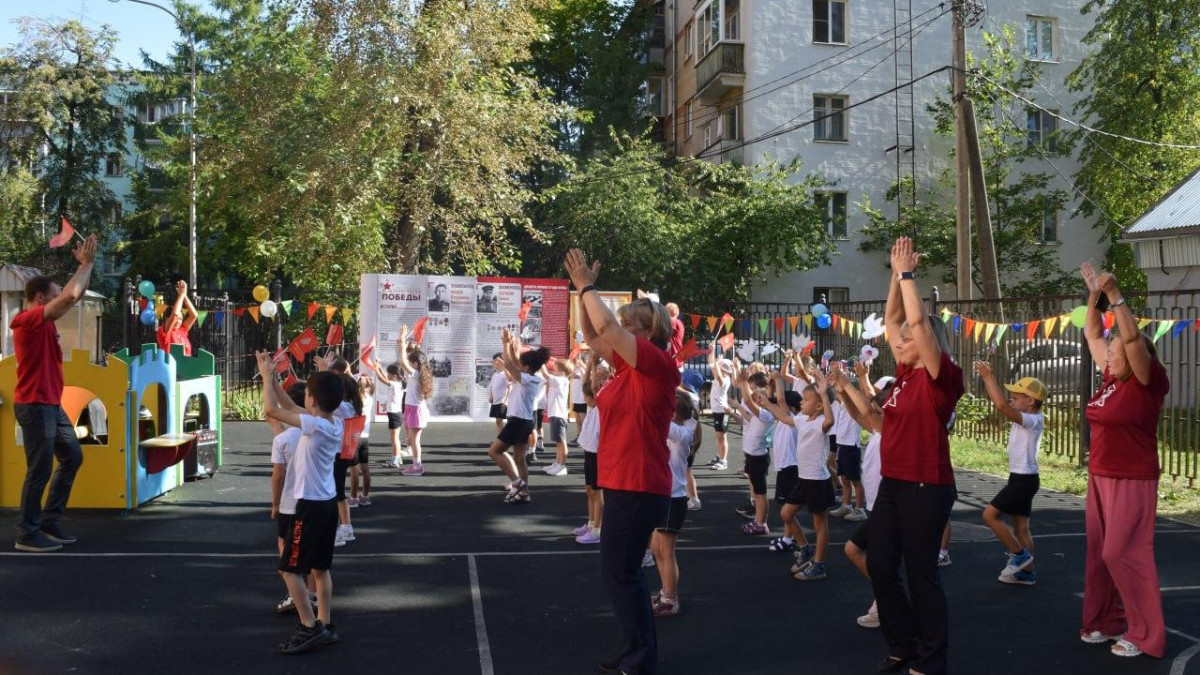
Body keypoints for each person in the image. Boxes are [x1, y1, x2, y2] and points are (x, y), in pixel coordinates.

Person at [565, 249, 678, 675]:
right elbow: (593, 334)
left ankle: (640, 658)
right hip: (626, 482)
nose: (620, 330)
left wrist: (587, 287)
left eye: (630, 326)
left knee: (621, 574)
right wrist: (582, 294)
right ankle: (633, 650)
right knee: (620, 573)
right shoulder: (629, 367)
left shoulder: (655, 363)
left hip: (640, 482)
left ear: (648, 332)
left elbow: (607, 327)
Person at [868, 237, 964, 675]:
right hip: (895, 481)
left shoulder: (942, 378)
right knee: (879, 564)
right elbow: (893, 319)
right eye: (900, 337)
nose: (900, 339)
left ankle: (931, 658)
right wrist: (894, 275)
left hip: (927, 485)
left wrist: (908, 276)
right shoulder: (905, 374)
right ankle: (902, 643)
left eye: (908, 338)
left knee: (921, 573)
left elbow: (918, 324)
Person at [1078, 262, 1168, 659]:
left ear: (1134, 357)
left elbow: (1130, 339)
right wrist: (1094, 297)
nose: (1109, 357)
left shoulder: (1147, 381)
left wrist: (1114, 295)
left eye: (1115, 353)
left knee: (1122, 552)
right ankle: (1106, 619)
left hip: (1132, 478)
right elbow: (1092, 333)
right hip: (1100, 476)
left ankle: (1145, 634)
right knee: (1100, 555)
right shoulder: (1111, 380)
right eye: (1109, 354)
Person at [11, 234, 97, 552]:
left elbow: (74, 295)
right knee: (40, 469)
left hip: (50, 404)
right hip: (34, 404)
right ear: (40, 298)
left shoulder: (44, 320)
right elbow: (69, 297)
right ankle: (27, 533)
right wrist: (85, 264)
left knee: (72, 457)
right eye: (54, 294)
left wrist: (88, 266)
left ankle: (49, 520)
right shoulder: (27, 320)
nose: (60, 297)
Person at [256, 353, 343, 654]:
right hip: (327, 504)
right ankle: (325, 624)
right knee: (320, 568)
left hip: (311, 506)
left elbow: (272, 409)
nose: (302, 398)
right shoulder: (331, 421)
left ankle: (309, 626)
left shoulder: (315, 426)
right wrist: (273, 378)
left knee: (290, 569)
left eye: (306, 393)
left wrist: (265, 378)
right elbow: (291, 407)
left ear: (313, 400)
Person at [972, 362, 1044, 585]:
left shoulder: (1033, 420)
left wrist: (987, 377)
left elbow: (1001, 406)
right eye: (1011, 397)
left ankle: (1019, 555)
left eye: (1016, 397)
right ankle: (1027, 572)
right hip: (1022, 478)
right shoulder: (1026, 418)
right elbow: (1005, 405)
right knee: (1021, 528)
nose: (1011, 400)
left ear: (1030, 401)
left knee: (989, 515)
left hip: (1023, 481)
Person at [835, 367, 894, 628]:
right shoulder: (878, 431)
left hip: (887, 508)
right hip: (876, 507)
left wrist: (849, 384)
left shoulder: (893, 435)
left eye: (878, 412)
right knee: (863, 553)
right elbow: (859, 415)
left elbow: (867, 412)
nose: (873, 415)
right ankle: (886, 597)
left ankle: (887, 601)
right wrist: (843, 394)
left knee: (863, 553)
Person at [763, 369, 835, 581]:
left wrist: (823, 394)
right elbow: (784, 417)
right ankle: (805, 549)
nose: (802, 402)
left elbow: (829, 421)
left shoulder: (821, 423)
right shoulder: (803, 419)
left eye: (806, 399)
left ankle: (819, 565)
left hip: (818, 480)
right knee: (786, 514)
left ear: (819, 406)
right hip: (803, 479)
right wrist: (766, 403)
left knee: (819, 524)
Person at [649, 391, 700, 618]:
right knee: (656, 548)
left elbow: (652, 417)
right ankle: (665, 592)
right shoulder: (678, 429)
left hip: (673, 499)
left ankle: (671, 600)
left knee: (667, 552)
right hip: (662, 496)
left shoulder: (682, 432)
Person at [268, 381, 317, 615]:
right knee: (314, 555)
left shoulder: (283, 439)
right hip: (316, 502)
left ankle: (295, 595)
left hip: (291, 504)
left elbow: (278, 475)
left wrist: (275, 503)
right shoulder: (320, 429)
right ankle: (313, 596)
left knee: (287, 554)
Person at [487, 329, 550, 504]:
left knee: (494, 451)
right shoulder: (531, 376)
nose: (518, 366)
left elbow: (509, 364)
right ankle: (525, 492)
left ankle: (517, 483)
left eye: (521, 365)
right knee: (519, 459)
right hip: (524, 421)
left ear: (526, 367)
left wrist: (505, 343)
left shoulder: (530, 379)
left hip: (519, 422)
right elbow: (514, 362)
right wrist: (512, 346)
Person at [574, 355, 611, 545]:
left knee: (597, 492)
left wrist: (595, 366)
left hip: (598, 452)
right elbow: (585, 385)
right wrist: (590, 364)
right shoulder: (591, 406)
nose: (585, 398)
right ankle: (590, 523)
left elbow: (594, 388)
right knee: (590, 490)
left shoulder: (602, 403)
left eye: (587, 396)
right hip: (589, 450)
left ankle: (598, 529)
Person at [734, 371, 776, 536]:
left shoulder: (766, 414)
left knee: (760, 493)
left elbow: (747, 401)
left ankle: (761, 523)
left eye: (759, 398)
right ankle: (759, 520)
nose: (755, 400)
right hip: (753, 456)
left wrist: (744, 382)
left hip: (758, 457)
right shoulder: (758, 415)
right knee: (758, 493)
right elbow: (746, 409)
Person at [332, 374, 363, 547]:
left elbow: (327, 398)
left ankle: (336, 531)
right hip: (342, 453)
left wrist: (325, 373)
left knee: (332, 493)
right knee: (339, 493)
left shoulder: (342, 407)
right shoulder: (351, 405)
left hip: (337, 453)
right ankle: (346, 527)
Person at [397, 324, 433, 475]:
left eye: (410, 362)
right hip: (413, 408)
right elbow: (404, 361)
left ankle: (417, 466)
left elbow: (402, 362)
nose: (408, 364)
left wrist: (402, 338)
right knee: (412, 440)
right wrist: (402, 345)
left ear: (416, 364)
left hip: (416, 410)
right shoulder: (417, 373)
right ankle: (416, 465)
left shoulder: (416, 373)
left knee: (415, 440)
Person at [369, 361, 407, 468]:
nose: (388, 375)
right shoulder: (399, 383)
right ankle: (397, 458)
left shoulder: (394, 384)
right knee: (395, 438)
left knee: (394, 439)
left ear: (394, 376)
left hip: (394, 415)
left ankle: (395, 460)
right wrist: (379, 367)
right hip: (396, 414)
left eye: (389, 374)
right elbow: (385, 377)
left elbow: (381, 379)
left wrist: (376, 368)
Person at [704, 344, 733, 471]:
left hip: (723, 412)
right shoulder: (719, 376)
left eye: (719, 368)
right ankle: (719, 456)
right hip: (718, 411)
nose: (715, 370)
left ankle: (723, 460)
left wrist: (717, 363)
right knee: (719, 436)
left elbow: (719, 376)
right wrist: (713, 350)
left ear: (723, 371)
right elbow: (710, 362)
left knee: (721, 436)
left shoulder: (724, 380)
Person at [348, 376, 376, 508]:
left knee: (354, 470)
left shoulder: (354, 402)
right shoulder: (370, 398)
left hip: (354, 438)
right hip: (365, 437)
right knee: (365, 468)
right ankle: (364, 496)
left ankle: (353, 498)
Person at [544, 358, 573, 477]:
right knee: (558, 443)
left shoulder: (561, 380)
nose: (553, 370)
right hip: (556, 415)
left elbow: (546, 375)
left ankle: (562, 466)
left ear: (562, 372)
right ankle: (557, 463)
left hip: (559, 415)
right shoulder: (559, 379)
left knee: (562, 442)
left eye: (555, 369)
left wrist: (540, 362)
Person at [156, 280, 198, 356]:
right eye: (176, 319)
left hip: (186, 363)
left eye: (180, 319)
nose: (178, 321)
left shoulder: (182, 330)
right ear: (167, 319)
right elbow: (175, 314)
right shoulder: (164, 331)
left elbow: (194, 315)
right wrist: (181, 295)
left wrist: (184, 296)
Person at [487, 352, 510, 433]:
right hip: (496, 401)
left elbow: (510, 388)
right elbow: (492, 386)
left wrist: (506, 401)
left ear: (500, 362)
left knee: (510, 422)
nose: (492, 363)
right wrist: (491, 396)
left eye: (494, 361)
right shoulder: (495, 375)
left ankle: (508, 438)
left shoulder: (506, 374)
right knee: (498, 422)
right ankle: (501, 438)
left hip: (503, 402)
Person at [570, 353, 588, 442]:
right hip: (576, 398)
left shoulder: (584, 369)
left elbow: (586, 376)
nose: (576, 361)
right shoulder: (574, 369)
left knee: (583, 420)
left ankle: (585, 437)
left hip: (582, 399)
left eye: (577, 359)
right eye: (575, 360)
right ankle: (578, 437)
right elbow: (570, 374)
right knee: (577, 420)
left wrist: (581, 365)